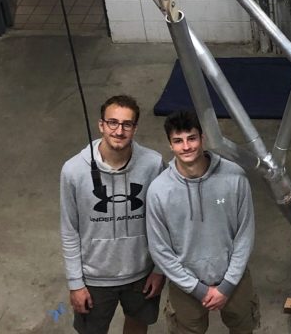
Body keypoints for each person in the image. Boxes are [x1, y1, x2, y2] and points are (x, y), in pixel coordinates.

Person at [146, 110, 259, 334]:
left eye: (192, 138)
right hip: (185, 285)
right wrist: (197, 289)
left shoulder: (235, 177)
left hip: (234, 279)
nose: (186, 147)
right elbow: (160, 249)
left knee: (244, 328)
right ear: (170, 145)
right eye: (178, 141)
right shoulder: (158, 191)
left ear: (203, 138)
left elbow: (245, 234)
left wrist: (227, 285)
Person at [60, 94, 166, 334]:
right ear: (101, 125)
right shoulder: (73, 170)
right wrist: (76, 283)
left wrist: (160, 270)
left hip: (142, 273)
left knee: (138, 326)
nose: (119, 131)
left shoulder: (153, 164)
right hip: (94, 278)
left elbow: (165, 221)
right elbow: (69, 230)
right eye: (112, 123)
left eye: (127, 124)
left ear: (135, 128)